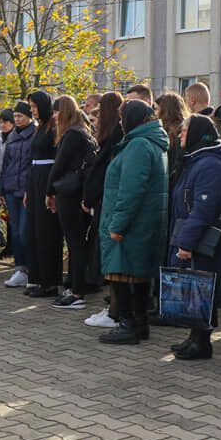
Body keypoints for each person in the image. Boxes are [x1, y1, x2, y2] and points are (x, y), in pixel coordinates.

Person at [98, 100, 169, 345]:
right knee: (138, 276)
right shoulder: (152, 143)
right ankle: (140, 324)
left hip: (131, 224)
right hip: (144, 222)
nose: (120, 123)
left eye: (122, 118)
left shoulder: (139, 145)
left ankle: (128, 324)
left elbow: (131, 190)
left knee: (122, 273)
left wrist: (117, 225)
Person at [167, 115, 221, 360]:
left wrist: (187, 243)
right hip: (191, 233)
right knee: (194, 289)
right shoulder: (196, 159)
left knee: (202, 289)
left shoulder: (209, 165)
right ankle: (194, 336)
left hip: (204, 241)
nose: (181, 135)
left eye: (184, 131)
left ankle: (202, 342)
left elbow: (203, 209)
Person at [46, 96, 97, 310]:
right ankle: (76, 286)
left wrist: (49, 192)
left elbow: (59, 166)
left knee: (75, 243)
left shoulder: (72, 135)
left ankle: (77, 291)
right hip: (80, 193)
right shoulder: (84, 132)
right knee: (78, 243)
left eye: (57, 112)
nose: (55, 117)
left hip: (69, 194)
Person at [81, 92, 125, 328]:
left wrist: (89, 197)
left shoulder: (115, 138)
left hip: (106, 202)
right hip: (102, 201)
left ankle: (115, 311)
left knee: (111, 257)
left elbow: (101, 172)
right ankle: (112, 308)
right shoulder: (113, 137)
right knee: (107, 256)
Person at [25, 91, 62, 298]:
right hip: (35, 179)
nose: (32, 110)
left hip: (47, 178)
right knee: (34, 231)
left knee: (46, 232)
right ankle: (37, 277)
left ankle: (49, 282)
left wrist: (52, 189)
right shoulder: (40, 128)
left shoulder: (53, 127)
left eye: (34, 106)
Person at [0, 103, 36, 288]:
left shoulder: (36, 133)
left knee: (24, 231)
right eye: (16, 116)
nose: (17, 119)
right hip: (11, 188)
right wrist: (1, 190)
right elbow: (5, 164)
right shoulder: (12, 136)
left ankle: (31, 269)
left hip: (27, 190)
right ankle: (19, 269)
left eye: (21, 116)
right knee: (14, 230)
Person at [156, 92, 191, 180]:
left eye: (156, 109)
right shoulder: (188, 127)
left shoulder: (166, 132)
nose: (154, 113)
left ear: (164, 110)